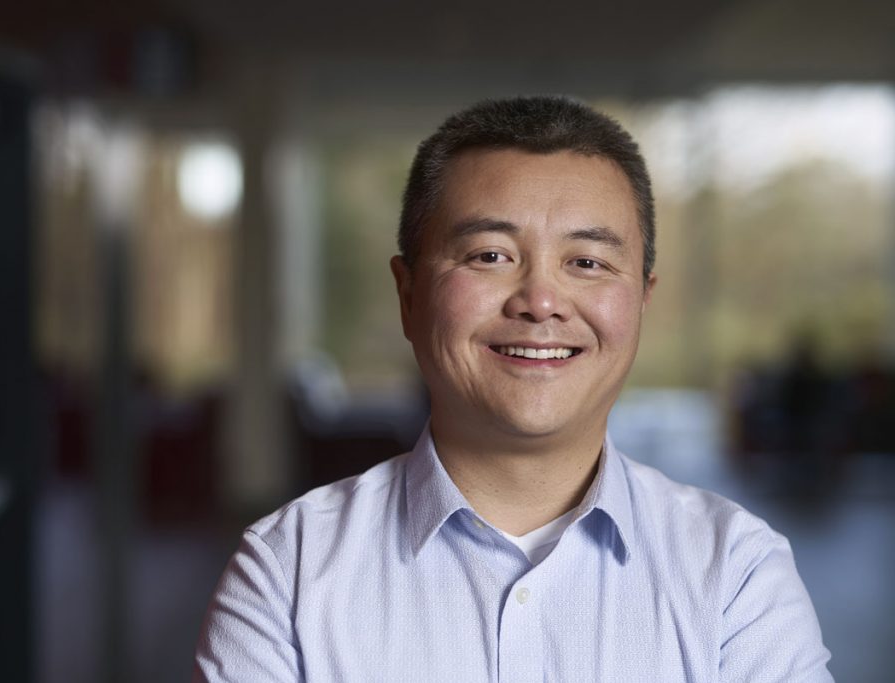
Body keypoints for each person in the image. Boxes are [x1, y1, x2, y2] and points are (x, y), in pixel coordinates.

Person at [193, 96, 832, 682]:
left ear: (642, 300)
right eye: (490, 256)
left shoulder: (736, 574)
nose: (541, 301)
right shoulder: (288, 572)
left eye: (586, 262)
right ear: (408, 295)